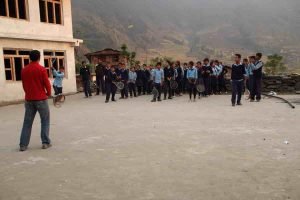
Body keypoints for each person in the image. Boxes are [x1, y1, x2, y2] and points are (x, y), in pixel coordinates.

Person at [19, 50, 52, 151]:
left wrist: (28, 94)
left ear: (30, 58)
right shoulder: (41, 69)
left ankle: (23, 145)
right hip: (41, 99)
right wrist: (48, 93)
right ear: (39, 57)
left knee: (27, 122)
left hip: (29, 99)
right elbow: (47, 84)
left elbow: (24, 86)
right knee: (45, 120)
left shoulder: (24, 70)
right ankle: (45, 143)